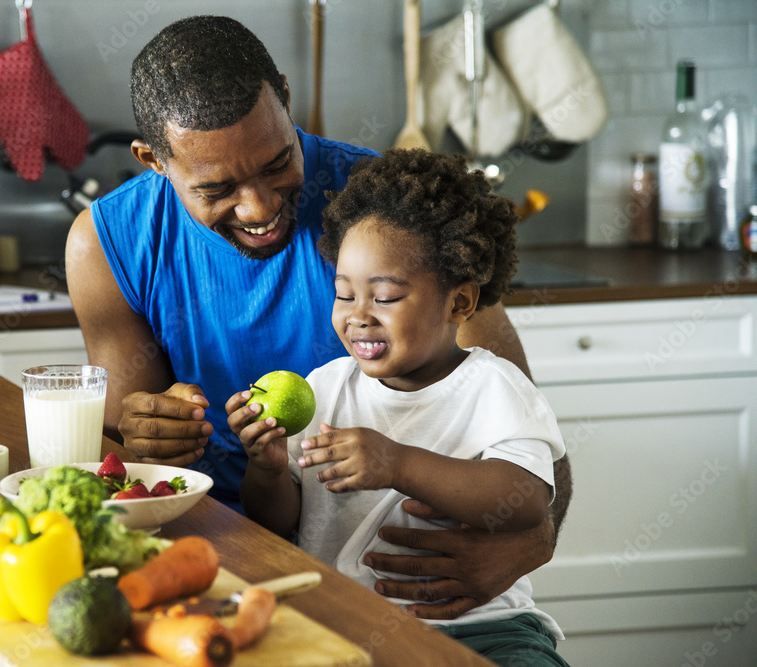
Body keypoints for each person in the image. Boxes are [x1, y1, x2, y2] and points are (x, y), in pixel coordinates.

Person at [65, 14, 573, 621]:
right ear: (154, 160)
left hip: (404, 587)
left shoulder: (384, 214)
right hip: (206, 556)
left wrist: (528, 545)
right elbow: (128, 460)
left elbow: (529, 435)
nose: (260, 207)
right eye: (217, 188)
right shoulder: (107, 243)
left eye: (278, 162)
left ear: (284, 95)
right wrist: (144, 433)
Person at [226, 149, 569, 665]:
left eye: (384, 297)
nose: (358, 317)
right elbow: (278, 523)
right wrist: (268, 470)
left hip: (481, 627)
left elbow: (524, 501)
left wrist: (398, 463)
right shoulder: (325, 388)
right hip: (344, 623)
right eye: (344, 295)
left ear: (459, 303)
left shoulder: (494, 387)